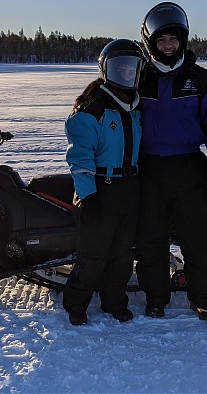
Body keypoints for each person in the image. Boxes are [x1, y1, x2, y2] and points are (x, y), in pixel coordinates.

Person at [135, 1, 207, 321]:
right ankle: (156, 298)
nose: (168, 46)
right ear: (151, 42)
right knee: (151, 239)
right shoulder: (138, 78)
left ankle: (203, 297)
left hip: (188, 169)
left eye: (174, 39)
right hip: (147, 170)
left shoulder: (201, 80)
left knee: (197, 237)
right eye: (162, 40)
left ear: (183, 41)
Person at [62, 38, 145, 326]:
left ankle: (114, 302)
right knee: (92, 254)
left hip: (128, 188)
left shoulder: (135, 105)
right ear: (106, 69)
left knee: (122, 254)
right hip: (99, 189)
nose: (126, 73)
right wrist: (89, 196)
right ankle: (76, 305)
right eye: (120, 67)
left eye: (132, 68)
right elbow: (80, 157)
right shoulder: (91, 108)